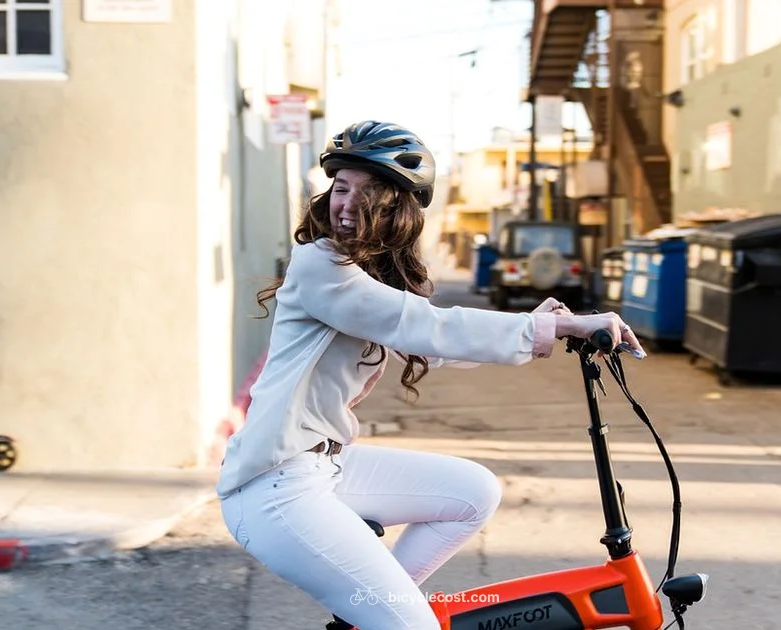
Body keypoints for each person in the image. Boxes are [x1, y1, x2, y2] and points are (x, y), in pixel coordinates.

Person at [215, 120, 644, 630]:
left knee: (472, 493)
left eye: (367, 193)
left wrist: (541, 328)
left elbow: (435, 347)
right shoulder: (318, 264)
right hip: (274, 487)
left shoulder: (362, 275)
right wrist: (548, 326)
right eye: (341, 187)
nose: (346, 204)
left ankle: (371, 615)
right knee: (410, 626)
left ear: (397, 209)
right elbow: (422, 324)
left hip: (324, 467)